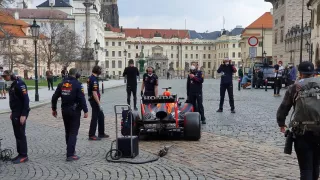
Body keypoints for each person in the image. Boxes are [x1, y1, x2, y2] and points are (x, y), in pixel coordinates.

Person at [277, 61, 320, 180]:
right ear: (313, 73)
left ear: (300, 73)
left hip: (302, 131)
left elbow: (284, 107)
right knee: (316, 164)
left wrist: (281, 123)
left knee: (305, 167)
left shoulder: (294, 87)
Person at [51, 68, 89, 161]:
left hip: (64, 110)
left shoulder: (62, 84)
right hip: (74, 111)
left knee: (68, 131)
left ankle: (70, 149)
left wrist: (54, 108)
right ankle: (70, 154)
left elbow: (54, 97)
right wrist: (86, 110)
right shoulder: (78, 84)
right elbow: (81, 98)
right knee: (73, 132)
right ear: (76, 74)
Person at [1, 70, 30, 164]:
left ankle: (24, 155)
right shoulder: (13, 84)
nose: (4, 78)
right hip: (15, 112)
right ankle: (20, 153)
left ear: (10, 75)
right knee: (17, 134)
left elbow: (26, 100)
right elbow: (15, 100)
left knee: (21, 134)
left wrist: (24, 115)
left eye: (5, 77)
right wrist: (13, 112)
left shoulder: (19, 84)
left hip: (20, 113)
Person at [87, 66, 109, 141]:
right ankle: (91, 135)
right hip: (94, 101)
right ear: (97, 71)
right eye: (100, 70)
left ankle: (101, 133)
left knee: (101, 116)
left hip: (93, 100)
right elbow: (94, 92)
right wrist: (99, 103)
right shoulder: (94, 80)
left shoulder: (91, 78)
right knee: (94, 118)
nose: (101, 71)